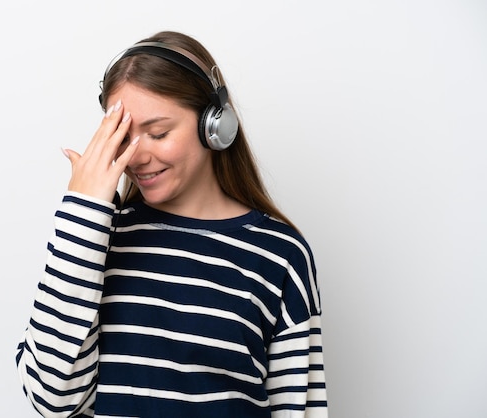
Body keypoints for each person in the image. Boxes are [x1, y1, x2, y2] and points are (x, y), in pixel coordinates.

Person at [16, 30, 327, 418]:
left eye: (158, 133)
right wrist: (84, 210)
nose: (138, 155)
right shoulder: (95, 239)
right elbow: (51, 398)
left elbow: (298, 407)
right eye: (123, 137)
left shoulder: (280, 255)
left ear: (215, 125)